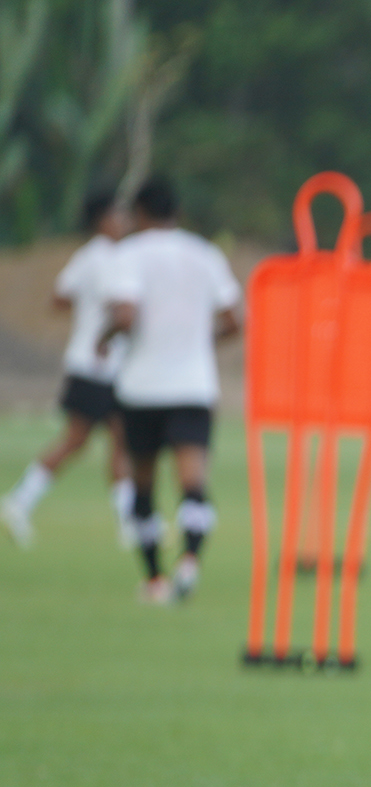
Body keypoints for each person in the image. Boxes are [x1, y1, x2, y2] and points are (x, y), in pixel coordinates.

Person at [98, 177, 242, 604]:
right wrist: (199, 340)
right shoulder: (205, 254)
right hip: (193, 384)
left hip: (142, 386)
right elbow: (234, 320)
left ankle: (155, 579)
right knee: (193, 481)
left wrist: (103, 337)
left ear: (140, 213)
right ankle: (190, 561)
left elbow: (126, 315)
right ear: (176, 212)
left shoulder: (128, 254)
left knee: (143, 485)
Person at [2, 190, 135, 550]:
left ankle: (127, 521)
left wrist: (87, 306)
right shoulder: (108, 258)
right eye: (117, 214)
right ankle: (20, 502)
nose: (124, 221)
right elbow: (121, 309)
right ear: (102, 220)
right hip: (100, 363)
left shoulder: (87, 255)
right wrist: (102, 320)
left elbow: (60, 297)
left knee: (107, 439)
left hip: (90, 362)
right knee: (91, 439)